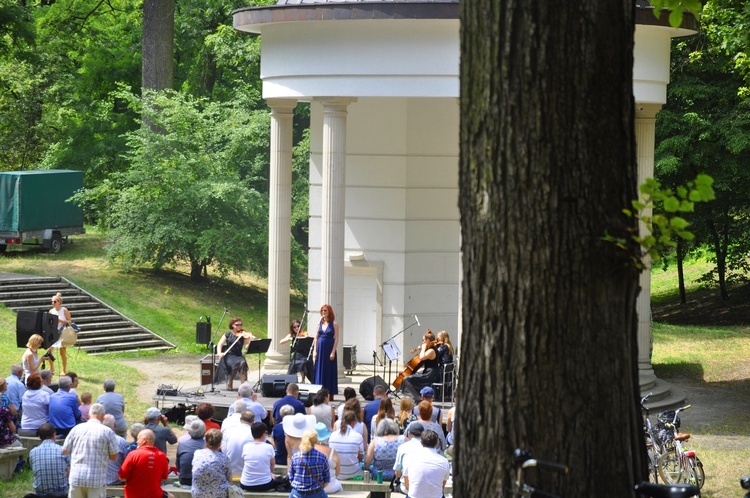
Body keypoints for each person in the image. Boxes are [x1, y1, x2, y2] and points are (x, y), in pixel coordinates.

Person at [62, 403, 119, 498]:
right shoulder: (107, 431)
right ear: (103, 416)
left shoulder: (76, 429)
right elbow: (114, 456)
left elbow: (65, 450)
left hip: (76, 477)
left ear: (89, 414)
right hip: (96, 479)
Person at [118, 429, 174, 498]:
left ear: (144, 440)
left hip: (133, 495)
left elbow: (122, 477)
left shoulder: (132, 455)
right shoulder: (162, 456)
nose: (137, 442)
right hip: (155, 495)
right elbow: (164, 478)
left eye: (138, 439)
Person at [403, 429, 450, 498]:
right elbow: (442, 486)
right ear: (437, 444)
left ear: (421, 442)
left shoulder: (410, 458)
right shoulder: (444, 461)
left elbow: (407, 486)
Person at [214, 317, 255, 391]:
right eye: (237, 325)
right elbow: (220, 344)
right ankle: (230, 381)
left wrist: (251, 341)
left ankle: (243, 386)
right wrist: (219, 353)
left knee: (242, 363)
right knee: (234, 366)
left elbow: (246, 347)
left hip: (238, 355)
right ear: (232, 325)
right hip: (229, 355)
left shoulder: (243, 335)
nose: (239, 326)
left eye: (241, 325)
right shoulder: (227, 334)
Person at [30, 423, 70, 498]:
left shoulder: (33, 452)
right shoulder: (63, 450)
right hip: (61, 494)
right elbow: (69, 473)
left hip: (41, 494)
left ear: (39, 437)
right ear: (54, 435)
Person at [400, 330, 441, 400]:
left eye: (423, 340)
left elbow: (422, 357)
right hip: (428, 372)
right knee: (409, 376)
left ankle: (418, 398)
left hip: (430, 374)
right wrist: (421, 349)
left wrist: (423, 348)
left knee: (406, 379)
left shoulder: (431, 350)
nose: (423, 342)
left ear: (428, 340)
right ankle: (417, 395)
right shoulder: (430, 349)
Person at [288, 429, 330, 498]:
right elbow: (327, 480)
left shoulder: (295, 457)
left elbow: (291, 477)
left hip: (297, 494)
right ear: (316, 441)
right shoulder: (322, 457)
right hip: (316, 493)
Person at [191, 428, 232, 498]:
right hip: (219, 495)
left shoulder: (197, 453)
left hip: (198, 494)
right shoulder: (224, 458)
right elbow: (229, 478)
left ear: (206, 441)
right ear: (220, 443)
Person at [240, 422, 277, 492]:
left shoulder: (246, 446)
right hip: (265, 484)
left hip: (245, 484)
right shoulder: (269, 447)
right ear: (263, 434)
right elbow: (272, 466)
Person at [365, 418, 404, 483]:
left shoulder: (376, 441)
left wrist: (368, 469)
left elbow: (367, 462)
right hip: (398, 475)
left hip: (379, 475)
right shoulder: (403, 439)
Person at [328, 410, 363, 480]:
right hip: (354, 472)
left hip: (336, 473)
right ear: (353, 422)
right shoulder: (358, 436)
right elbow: (360, 458)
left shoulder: (332, 435)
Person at [49, 292, 79, 376]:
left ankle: (63, 370)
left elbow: (70, 321)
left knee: (62, 352)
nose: (53, 303)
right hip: (53, 332)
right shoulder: (51, 311)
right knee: (49, 351)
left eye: (54, 301)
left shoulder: (64, 310)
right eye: (52, 301)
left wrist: (61, 321)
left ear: (59, 302)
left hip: (62, 333)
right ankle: (51, 368)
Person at [313, 304, 339, 396]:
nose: (323, 312)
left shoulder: (334, 324)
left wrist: (333, 352)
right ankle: (319, 390)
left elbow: (336, 338)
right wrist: (315, 351)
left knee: (328, 369)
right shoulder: (319, 323)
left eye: (325, 311)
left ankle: (329, 392)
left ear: (329, 312)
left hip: (329, 347)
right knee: (319, 369)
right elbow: (316, 337)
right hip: (320, 348)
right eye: (322, 311)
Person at [393, 421, 424, 494]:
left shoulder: (403, 447)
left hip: (407, 487)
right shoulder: (428, 447)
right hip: (425, 488)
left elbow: (398, 473)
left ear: (409, 434)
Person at [222, 410, 254, 477]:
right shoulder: (254, 434)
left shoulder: (229, 432)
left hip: (230, 471)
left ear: (240, 419)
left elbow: (224, 450)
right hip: (247, 473)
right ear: (253, 421)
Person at [313, 422, 342, 494]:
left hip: (312, 486)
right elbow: (337, 473)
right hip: (330, 486)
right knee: (340, 486)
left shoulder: (309, 451)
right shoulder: (332, 451)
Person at [176, 418, 206, 486]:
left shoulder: (182, 444)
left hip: (184, 480)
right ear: (204, 433)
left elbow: (178, 465)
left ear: (189, 432)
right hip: (202, 481)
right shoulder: (208, 446)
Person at [103, 414, 129, 486]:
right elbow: (127, 462)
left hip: (99, 480)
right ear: (115, 426)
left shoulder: (95, 440)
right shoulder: (121, 441)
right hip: (116, 480)